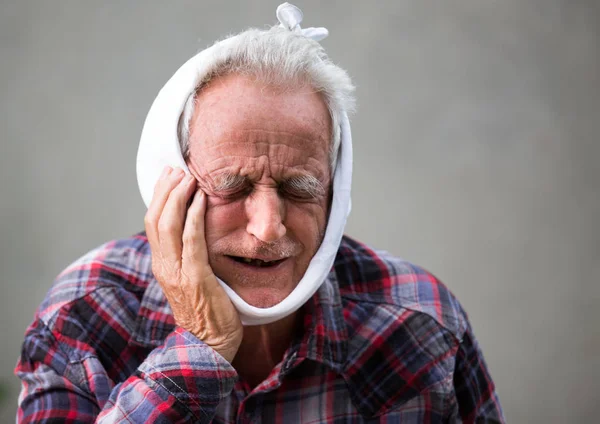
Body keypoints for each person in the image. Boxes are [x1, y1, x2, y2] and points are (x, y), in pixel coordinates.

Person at [15, 4, 504, 423]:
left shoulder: (421, 325)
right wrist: (200, 349)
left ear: (335, 193)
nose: (268, 227)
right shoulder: (86, 315)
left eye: (300, 188)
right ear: (168, 185)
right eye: (232, 188)